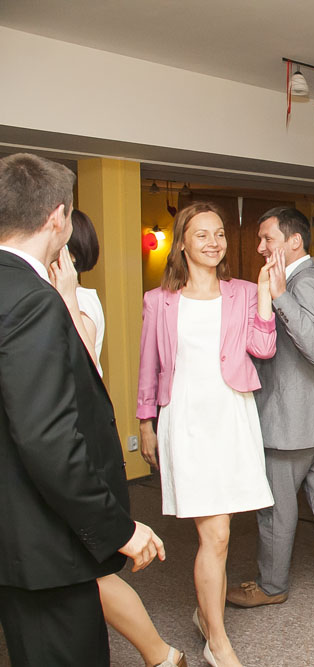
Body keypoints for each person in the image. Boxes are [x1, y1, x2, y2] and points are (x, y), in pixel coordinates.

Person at [0, 152, 164, 667]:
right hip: (40, 540)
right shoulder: (33, 300)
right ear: (58, 217)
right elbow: (47, 438)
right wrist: (118, 528)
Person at [138, 201, 277, 667]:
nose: (213, 242)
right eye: (201, 234)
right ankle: (217, 642)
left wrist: (263, 293)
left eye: (219, 233)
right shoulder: (158, 301)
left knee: (221, 533)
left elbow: (263, 347)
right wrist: (145, 422)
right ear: (182, 242)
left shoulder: (242, 292)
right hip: (186, 419)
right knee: (214, 534)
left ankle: (206, 617)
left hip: (232, 416)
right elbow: (149, 365)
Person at [48, 209, 184, 667]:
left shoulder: (80, 299)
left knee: (90, 571)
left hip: (79, 438)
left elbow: (87, 367)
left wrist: (66, 296)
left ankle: (161, 654)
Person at [226, 207, 314, 631]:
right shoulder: (312, 279)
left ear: (294, 241)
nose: (260, 247)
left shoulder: (300, 282)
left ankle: (272, 586)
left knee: (276, 515)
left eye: (267, 238)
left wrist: (279, 295)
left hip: (290, 428)